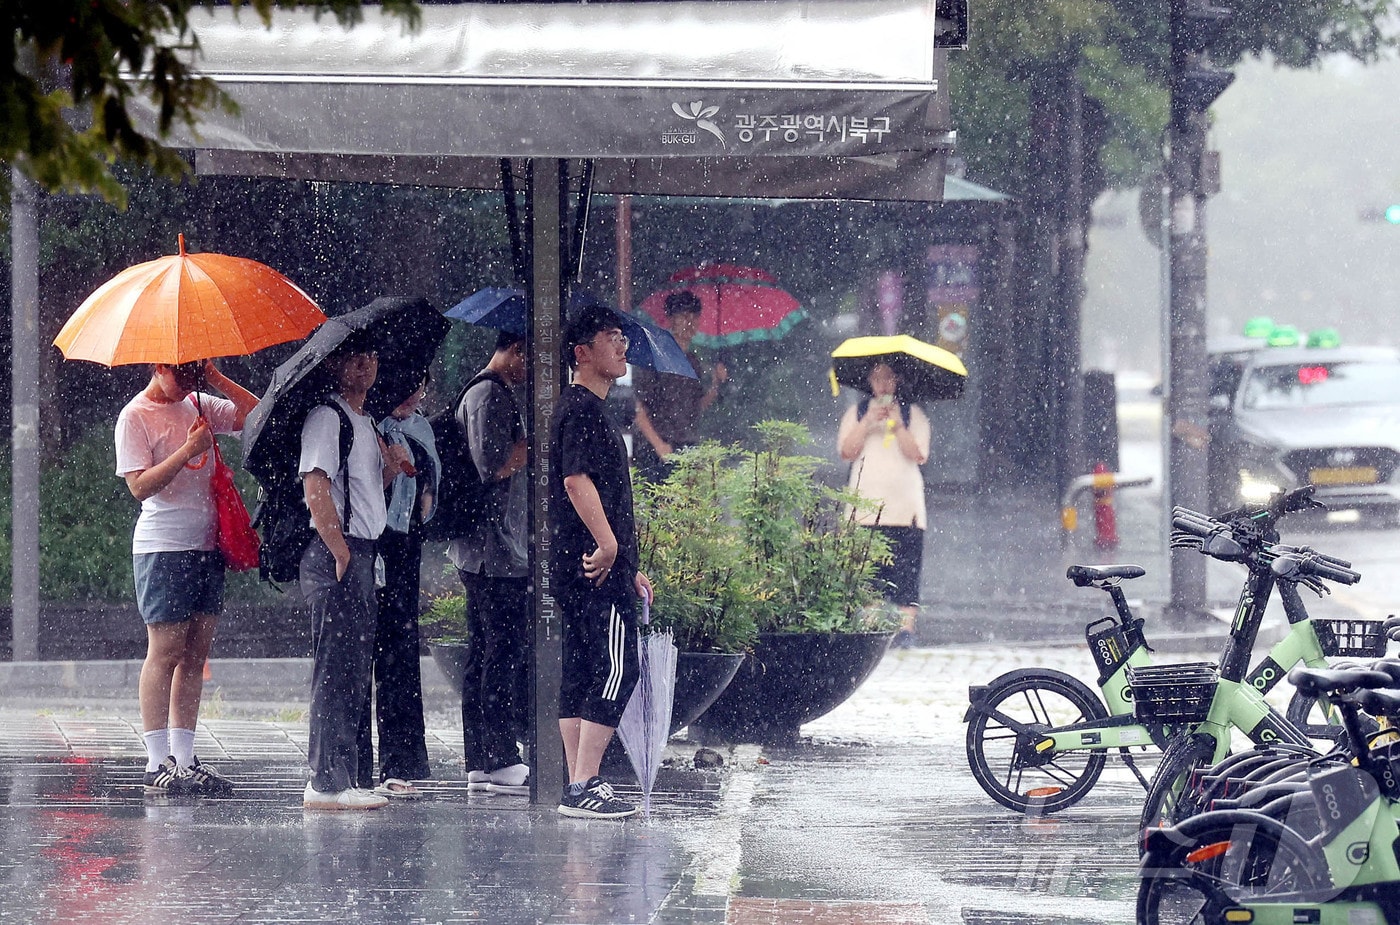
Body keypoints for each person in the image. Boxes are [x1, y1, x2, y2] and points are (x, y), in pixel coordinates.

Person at [115, 359, 260, 794]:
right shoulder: (135, 415)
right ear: (159, 367)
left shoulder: (197, 401)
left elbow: (255, 415)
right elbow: (139, 486)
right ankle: (156, 761)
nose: (187, 384)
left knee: (197, 653)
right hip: (163, 546)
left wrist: (213, 379)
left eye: (195, 374)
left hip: (207, 544)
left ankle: (185, 755)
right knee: (165, 651)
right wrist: (187, 452)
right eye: (182, 373)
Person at [299, 336, 411, 811]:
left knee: (352, 669)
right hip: (339, 556)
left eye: (372, 355)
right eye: (355, 357)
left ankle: (346, 776)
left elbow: (363, 496)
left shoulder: (366, 422)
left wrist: (388, 473)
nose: (366, 364)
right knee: (335, 671)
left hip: (364, 553)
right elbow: (315, 485)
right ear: (335, 364)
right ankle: (325, 782)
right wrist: (340, 551)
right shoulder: (329, 417)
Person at [551, 304, 654, 820]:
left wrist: (625, 559)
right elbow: (576, 481)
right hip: (595, 563)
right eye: (611, 339)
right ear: (582, 353)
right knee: (618, 667)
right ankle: (586, 780)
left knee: (583, 668)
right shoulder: (583, 411)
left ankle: (576, 784)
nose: (622, 346)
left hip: (582, 561)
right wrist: (611, 546)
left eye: (623, 338)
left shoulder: (580, 408)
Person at [449, 330, 532, 796]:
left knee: (488, 650)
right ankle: (495, 755)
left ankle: (483, 758)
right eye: (528, 357)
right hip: (489, 552)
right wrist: (529, 447)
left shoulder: (495, 394)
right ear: (515, 349)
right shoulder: (486, 395)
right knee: (499, 651)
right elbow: (490, 465)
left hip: (495, 549)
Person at [354, 371, 439, 799]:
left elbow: (431, 482)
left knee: (401, 652)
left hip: (407, 545)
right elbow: (363, 488)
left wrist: (422, 487)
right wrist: (389, 470)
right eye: (408, 385)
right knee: (360, 651)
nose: (414, 394)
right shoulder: (367, 424)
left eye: (420, 385)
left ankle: (401, 759)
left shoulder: (419, 426)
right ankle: (354, 764)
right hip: (371, 540)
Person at [836, 361, 931, 647]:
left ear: (897, 381)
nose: (883, 385)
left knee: (906, 571)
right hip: (864, 510)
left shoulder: (913, 414)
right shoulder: (857, 413)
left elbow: (919, 454)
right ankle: (870, 631)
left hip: (905, 509)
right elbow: (846, 452)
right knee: (868, 573)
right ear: (869, 381)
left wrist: (898, 426)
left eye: (889, 378)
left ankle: (905, 631)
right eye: (877, 378)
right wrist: (867, 423)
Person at [631, 290, 726, 481]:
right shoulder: (655, 357)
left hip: (687, 446)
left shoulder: (693, 361)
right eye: (684, 317)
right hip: (656, 449)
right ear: (671, 320)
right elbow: (638, 407)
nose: (689, 323)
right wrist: (659, 445)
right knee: (658, 504)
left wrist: (716, 384)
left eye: (694, 317)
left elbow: (696, 406)